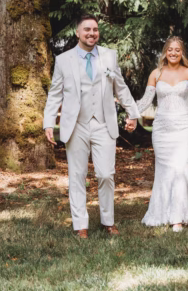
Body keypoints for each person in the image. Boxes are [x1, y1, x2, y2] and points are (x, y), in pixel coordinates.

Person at [43, 14, 141, 239]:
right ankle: (80, 225)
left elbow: (121, 87)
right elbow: (55, 93)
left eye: (95, 29)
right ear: (78, 32)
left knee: (106, 174)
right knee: (77, 175)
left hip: (103, 124)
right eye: (87, 29)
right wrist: (49, 122)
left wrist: (133, 113)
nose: (92, 33)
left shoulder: (109, 56)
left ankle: (108, 221)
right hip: (76, 125)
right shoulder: (64, 60)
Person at [134, 36, 188, 232]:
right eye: (170, 49)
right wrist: (130, 112)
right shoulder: (156, 74)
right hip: (161, 129)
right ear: (165, 52)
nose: (173, 53)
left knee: (179, 169)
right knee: (164, 171)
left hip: (184, 128)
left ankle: (177, 218)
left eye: (177, 50)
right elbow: (145, 101)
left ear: (182, 52)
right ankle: (161, 213)